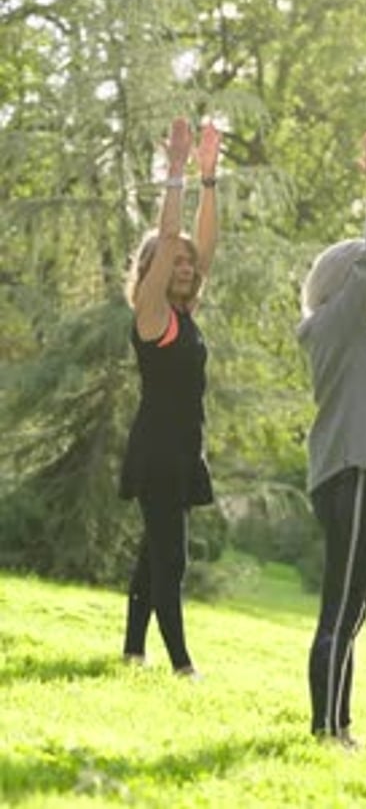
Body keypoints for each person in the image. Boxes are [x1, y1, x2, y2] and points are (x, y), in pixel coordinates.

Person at [297, 129, 366, 747]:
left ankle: (340, 725)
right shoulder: (333, 329)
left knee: (357, 613)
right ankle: (323, 731)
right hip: (351, 473)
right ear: (348, 286)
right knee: (339, 610)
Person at [119, 116, 221, 676]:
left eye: (187, 263)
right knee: (170, 559)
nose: (186, 266)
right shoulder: (153, 314)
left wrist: (209, 179)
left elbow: (207, 244)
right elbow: (171, 247)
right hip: (157, 451)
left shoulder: (187, 313)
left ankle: (133, 651)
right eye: (173, 261)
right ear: (156, 269)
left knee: (149, 557)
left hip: (184, 451)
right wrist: (176, 175)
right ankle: (182, 665)